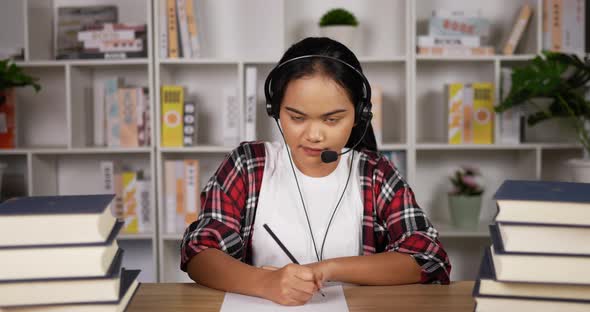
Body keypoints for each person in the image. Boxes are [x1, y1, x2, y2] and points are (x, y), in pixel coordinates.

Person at [180, 37, 451, 306]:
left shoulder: (375, 173)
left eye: (332, 119)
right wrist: (265, 284)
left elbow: (428, 257)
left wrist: (328, 269)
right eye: (297, 117)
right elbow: (200, 250)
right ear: (274, 110)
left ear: (360, 114)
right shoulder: (248, 164)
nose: (314, 135)